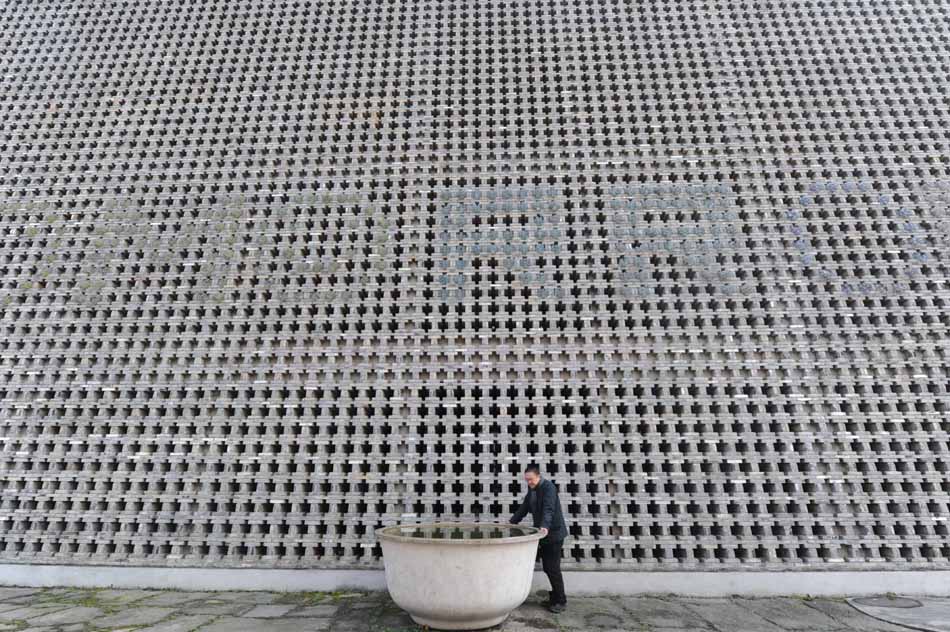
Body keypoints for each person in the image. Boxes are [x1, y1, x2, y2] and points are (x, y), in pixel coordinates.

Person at [509, 464, 568, 612]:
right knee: (548, 567)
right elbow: (524, 507)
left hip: (553, 534)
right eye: (527, 480)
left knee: (552, 568)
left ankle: (561, 601)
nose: (529, 483)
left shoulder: (549, 488)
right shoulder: (532, 489)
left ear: (538, 476)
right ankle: (554, 598)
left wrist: (545, 526)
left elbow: (549, 508)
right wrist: (511, 522)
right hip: (542, 534)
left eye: (531, 480)